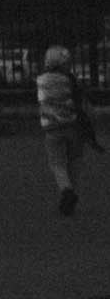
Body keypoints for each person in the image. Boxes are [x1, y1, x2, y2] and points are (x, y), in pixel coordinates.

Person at [36, 45, 101, 217]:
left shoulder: (41, 80)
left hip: (51, 128)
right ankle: (72, 192)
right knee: (75, 159)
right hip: (73, 126)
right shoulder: (71, 80)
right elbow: (82, 101)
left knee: (57, 163)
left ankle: (66, 189)